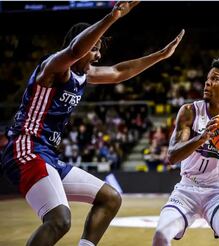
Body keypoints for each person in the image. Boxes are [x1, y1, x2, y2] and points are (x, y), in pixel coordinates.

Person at [0, 2, 184, 246]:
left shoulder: (84, 74)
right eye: (95, 49)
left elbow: (119, 72)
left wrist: (160, 56)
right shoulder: (53, 67)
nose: (98, 55)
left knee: (110, 198)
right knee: (59, 219)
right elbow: (75, 50)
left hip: (47, 155)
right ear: (82, 44)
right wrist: (113, 16)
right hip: (25, 148)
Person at [152, 59, 219, 246]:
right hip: (186, 189)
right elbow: (172, 157)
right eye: (207, 78)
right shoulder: (190, 112)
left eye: (215, 79)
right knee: (160, 233)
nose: (207, 82)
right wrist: (201, 137)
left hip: (218, 192)